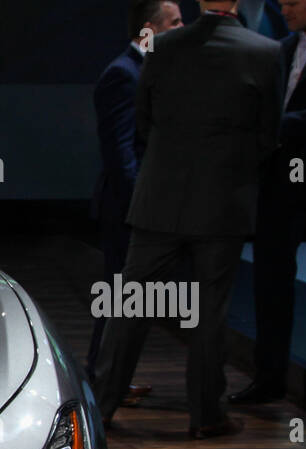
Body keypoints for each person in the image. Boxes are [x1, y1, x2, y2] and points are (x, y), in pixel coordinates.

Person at [93, 0, 284, 439]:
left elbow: (144, 122)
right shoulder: (266, 52)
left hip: (159, 198)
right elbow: (269, 136)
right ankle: (206, 416)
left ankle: (101, 408)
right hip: (223, 202)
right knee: (208, 313)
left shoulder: (161, 47)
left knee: (131, 306)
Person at [231, 0, 306, 404]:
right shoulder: (282, 49)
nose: (283, 5)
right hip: (284, 179)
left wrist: (278, 127)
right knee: (270, 280)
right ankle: (269, 379)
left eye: (292, 0)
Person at [88, 1, 184, 392]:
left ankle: (108, 379)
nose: (182, 28)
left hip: (137, 204)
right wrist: (139, 208)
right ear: (150, 29)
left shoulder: (144, 70)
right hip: (127, 207)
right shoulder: (124, 74)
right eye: (175, 22)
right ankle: (102, 380)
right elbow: (121, 154)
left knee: (125, 297)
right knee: (117, 296)